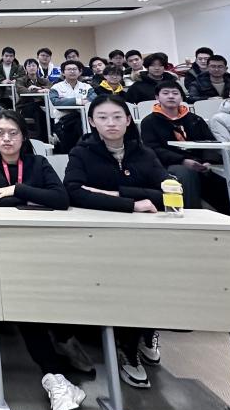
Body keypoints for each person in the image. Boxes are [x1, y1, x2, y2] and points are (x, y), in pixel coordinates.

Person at [0, 111, 87, 410]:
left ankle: (62, 354)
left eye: (13, 133)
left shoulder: (38, 163)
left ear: (23, 136)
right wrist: (33, 198)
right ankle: (55, 374)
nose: (7, 139)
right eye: (0, 133)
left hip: (40, 248)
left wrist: (16, 190)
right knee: (20, 304)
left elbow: (60, 199)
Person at [64, 96, 165, 387]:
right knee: (122, 281)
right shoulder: (81, 152)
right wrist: (131, 203)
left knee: (151, 277)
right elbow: (74, 191)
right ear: (92, 121)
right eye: (103, 117)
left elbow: (168, 192)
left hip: (146, 233)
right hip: (98, 231)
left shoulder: (144, 153)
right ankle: (127, 349)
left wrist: (113, 193)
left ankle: (145, 332)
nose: (111, 123)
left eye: (117, 117)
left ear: (128, 119)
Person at [139, 82, 226, 211]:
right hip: (168, 163)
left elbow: (210, 142)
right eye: (165, 93)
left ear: (181, 97)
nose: (171, 96)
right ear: (157, 97)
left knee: (223, 176)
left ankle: (229, 215)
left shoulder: (195, 119)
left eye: (175, 93)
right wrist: (182, 160)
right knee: (185, 173)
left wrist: (208, 161)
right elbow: (153, 148)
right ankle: (193, 213)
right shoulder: (149, 121)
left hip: (200, 162)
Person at [48, 60, 93, 150]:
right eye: (69, 69)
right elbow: (57, 102)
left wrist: (67, 100)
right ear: (63, 72)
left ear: (80, 72)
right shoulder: (56, 87)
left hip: (85, 119)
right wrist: (79, 101)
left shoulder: (86, 87)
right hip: (63, 120)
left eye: (74, 69)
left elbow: (93, 99)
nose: (72, 71)